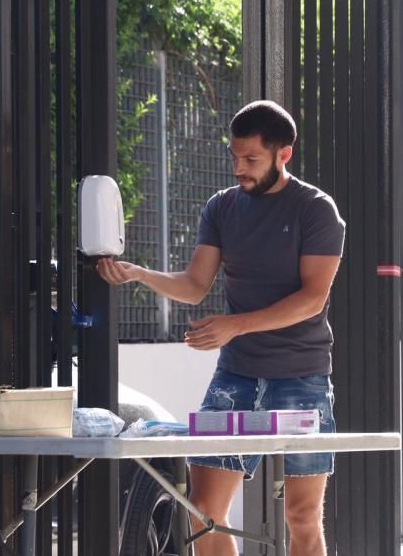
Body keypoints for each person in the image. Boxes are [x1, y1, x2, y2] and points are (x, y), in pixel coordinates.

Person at [97, 100, 346, 556]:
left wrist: (235, 325)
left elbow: (313, 299)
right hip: (236, 378)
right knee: (203, 509)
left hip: (302, 378)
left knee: (301, 517)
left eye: (251, 159)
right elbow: (195, 286)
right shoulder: (222, 208)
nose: (240, 168)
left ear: (283, 154)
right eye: (234, 156)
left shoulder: (316, 210)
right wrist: (140, 274)